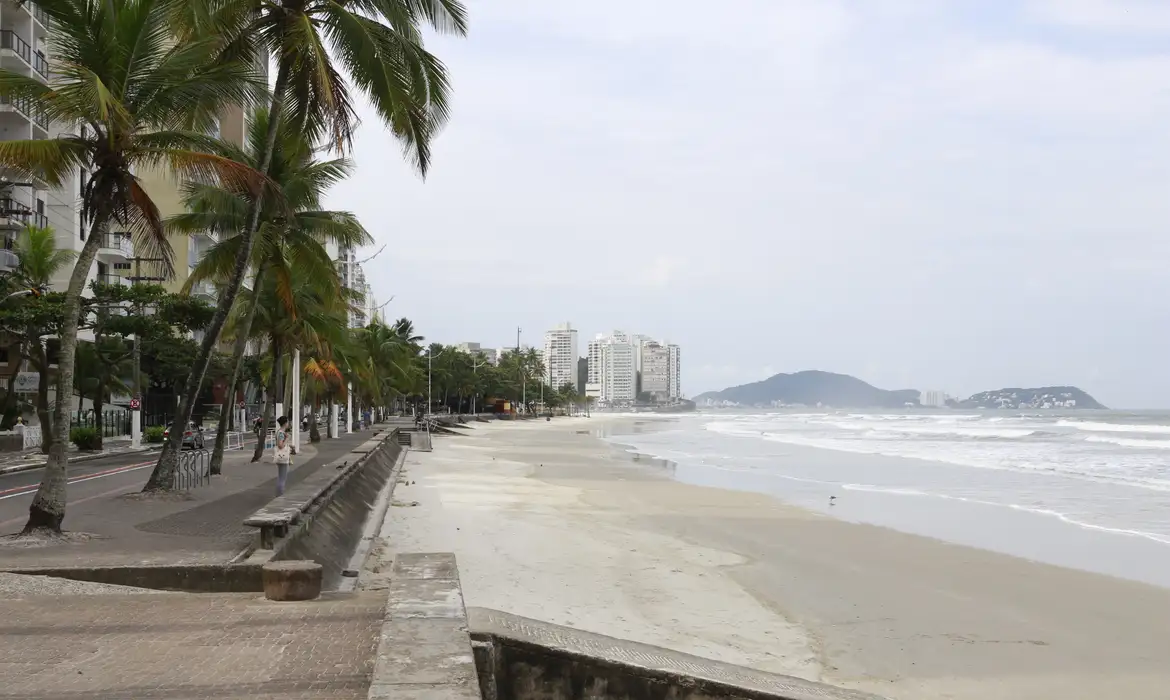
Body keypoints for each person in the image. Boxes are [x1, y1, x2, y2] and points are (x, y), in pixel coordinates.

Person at [273, 416, 291, 496]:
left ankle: (279, 493)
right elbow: (280, 445)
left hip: (281, 456)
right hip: (282, 456)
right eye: (287, 422)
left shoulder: (280, 432)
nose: (288, 423)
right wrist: (287, 439)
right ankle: (280, 495)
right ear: (285, 423)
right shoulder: (281, 433)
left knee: (281, 477)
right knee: (282, 478)